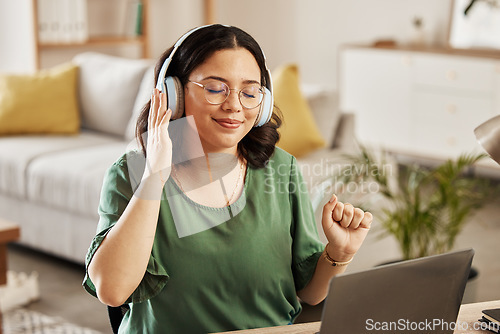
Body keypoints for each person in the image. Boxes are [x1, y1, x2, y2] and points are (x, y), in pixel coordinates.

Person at [83, 24, 372, 333]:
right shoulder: (131, 174)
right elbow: (112, 291)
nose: (234, 105)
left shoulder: (281, 169)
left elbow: (310, 293)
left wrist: (339, 254)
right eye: (215, 88)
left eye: (249, 92)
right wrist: (154, 176)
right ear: (173, 94)